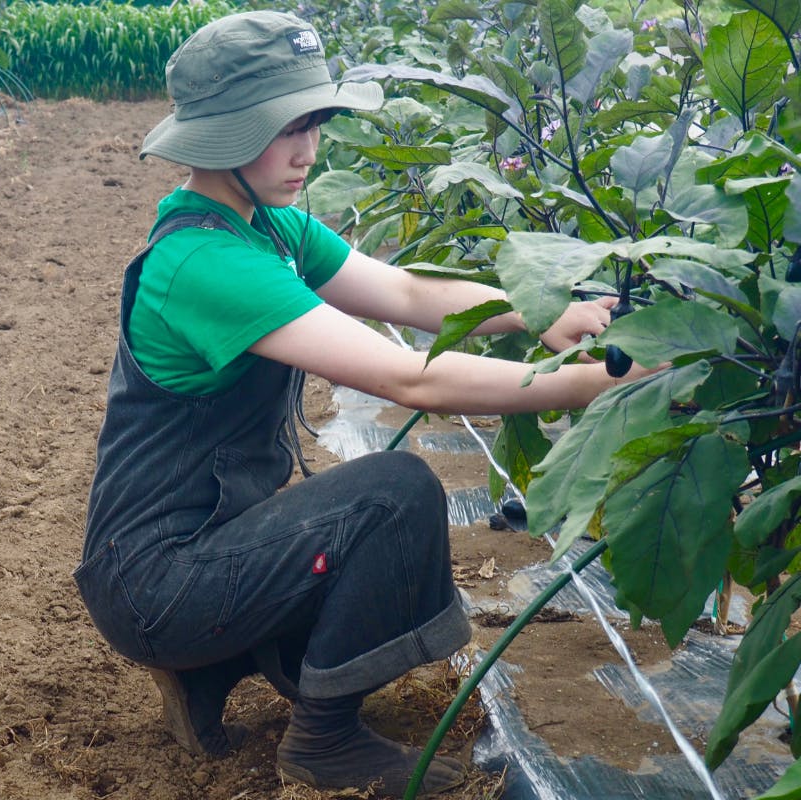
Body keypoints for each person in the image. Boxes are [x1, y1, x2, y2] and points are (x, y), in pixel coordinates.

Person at [74, 9, 649, 796]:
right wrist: (589, 384)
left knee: (350, 518)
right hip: (156, 583)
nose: (307, 150)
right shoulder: (203, 262)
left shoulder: (268, 229)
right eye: (285, 129)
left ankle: (207, 672)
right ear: (224, 135)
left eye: (313, 124)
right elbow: (410, 380)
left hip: (186, 552)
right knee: (393, 497)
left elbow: (406, 292)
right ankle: (325, 742)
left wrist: (543, 310)